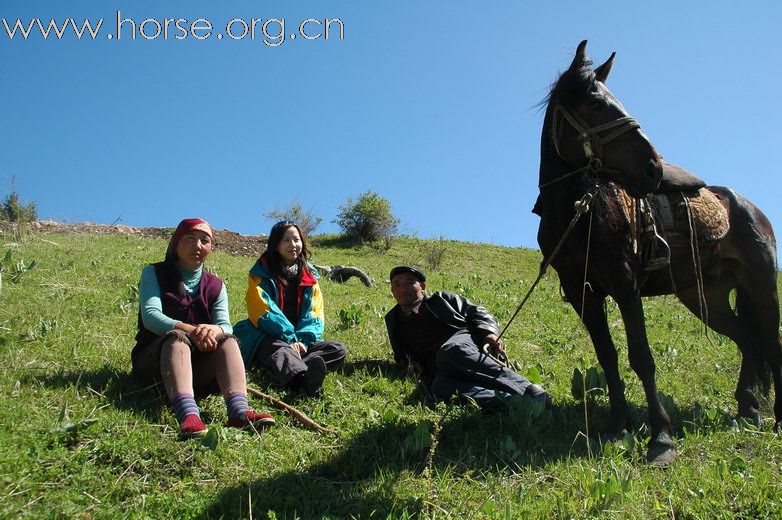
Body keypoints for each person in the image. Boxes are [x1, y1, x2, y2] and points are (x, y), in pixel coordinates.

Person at [131, 218, 275, 438]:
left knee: (228, 340)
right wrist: (193, 331)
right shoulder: (154, 273)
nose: (197, 246)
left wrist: (215, 331)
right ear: (176, 244)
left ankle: (239, 411)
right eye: (190, 238)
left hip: (199, 372)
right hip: (155, 366)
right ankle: (188, 415)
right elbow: (151, 316)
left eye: (204, 241)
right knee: (177, 337)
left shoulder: (216, 285)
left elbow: (225, 325)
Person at [385, 265, 551, 411]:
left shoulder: (442, 299)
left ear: (422, 286)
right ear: (392, 292)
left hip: (462, 343)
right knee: (439, 388)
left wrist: (489, 333)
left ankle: (529, 390)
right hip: (439, 369)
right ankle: (516, 404)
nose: (403, 288)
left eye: (409, 282)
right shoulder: (392, 319)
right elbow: (401, 354)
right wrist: (409, 364)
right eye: (397, 285)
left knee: (450, 351)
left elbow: (476, 312)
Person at [234, 220, 347, 395]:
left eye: (296, 239)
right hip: (267, 334)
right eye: (286, 240)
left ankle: (284, 368)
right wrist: (289, 339)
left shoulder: (309, 277)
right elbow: (263, 310)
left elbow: (314, 313)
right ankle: (302, 381)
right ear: (276, 244)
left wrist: (302, 341)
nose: (292, 245)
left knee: (337, 349)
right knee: (280, 349)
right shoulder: (261, 273)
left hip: (299, 340)